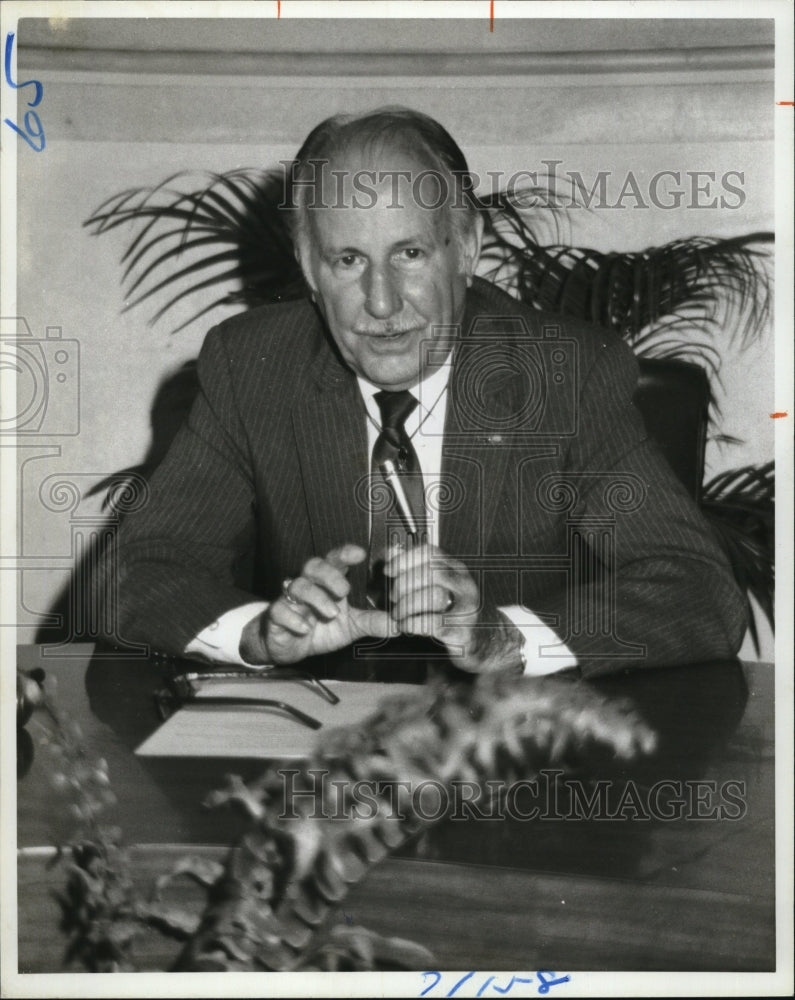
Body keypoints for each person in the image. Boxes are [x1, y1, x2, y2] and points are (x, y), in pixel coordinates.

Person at [116, 107, 747, 680]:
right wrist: (258, 634)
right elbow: (131, 575)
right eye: (348, 261)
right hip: (324, 765)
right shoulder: (252, 369)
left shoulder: (564, 375)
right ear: (309, 267)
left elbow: (700, 590)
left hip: (516, 766)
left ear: (466, 248)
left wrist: (505, 637)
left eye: (410, 253)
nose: (382, 303)